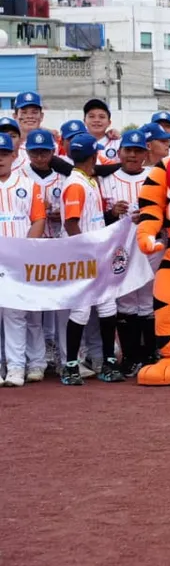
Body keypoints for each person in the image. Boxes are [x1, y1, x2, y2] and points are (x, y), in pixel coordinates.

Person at [60, 135, 122, 384]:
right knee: (82, 310)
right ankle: (71, 366)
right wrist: (85, 251)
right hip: (83, 255)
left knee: (108, 306)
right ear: (94, 156)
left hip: (97, 253)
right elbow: (71, 222)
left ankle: (108, 362)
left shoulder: (88, 180)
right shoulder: (76, 183)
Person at [99, 129, 155, 377]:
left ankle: (151, 354)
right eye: (128, 150)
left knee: (150, 302)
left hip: (151, 246)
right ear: (119, 152)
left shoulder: (155, 177)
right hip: (120, 249)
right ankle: (131, 356)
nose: (132, 155)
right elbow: (96, 220)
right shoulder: (107, 180)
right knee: (126, 302)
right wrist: (111, 214)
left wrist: (152, 216)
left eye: (137, 150)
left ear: (146, 153)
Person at [20, 129, 68, 382]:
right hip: (31, 248)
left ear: (53, 151)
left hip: (58, 244)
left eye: (45, 151)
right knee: (33, 309)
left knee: (62, 307)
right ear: (27, 153)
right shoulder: (20, 177)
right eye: (35, 152)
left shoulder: (63, 176)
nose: (40, 156)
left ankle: (64, 357)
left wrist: (56, 211)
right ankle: (36, 361)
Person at [0, 133, 46, 387]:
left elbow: (38, 219)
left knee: (16, 315)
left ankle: (16, 367)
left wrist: (26, 251)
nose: (0, 159)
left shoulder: (28, 184)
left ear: (14, 155)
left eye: (4, 154)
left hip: (18, 260)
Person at [82, 98, 121, 165]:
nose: (96, 120)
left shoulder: (118, 144)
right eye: (91, 116)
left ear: (109, 122)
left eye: (102, 117)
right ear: (84, 121)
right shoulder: (76, 143)